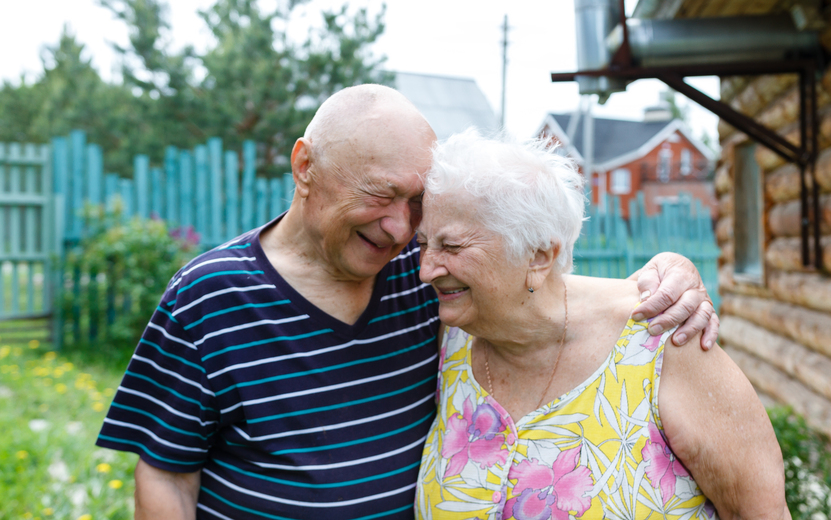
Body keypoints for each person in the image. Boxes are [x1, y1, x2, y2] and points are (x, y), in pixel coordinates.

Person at [96, 85, 719, 520]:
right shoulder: (206, 298)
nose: (399, 228)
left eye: (416, 203)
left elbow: (547, 290)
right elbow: (168, 475)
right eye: (378, 195)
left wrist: (667, 276)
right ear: (305, 165)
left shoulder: (424, 281)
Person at [414, 130, 787, 520]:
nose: (425, 270)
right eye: (423, 244)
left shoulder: (661, 338)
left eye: (452, 246)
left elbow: (761, 512)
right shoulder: (452, 336)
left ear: (539, 256)